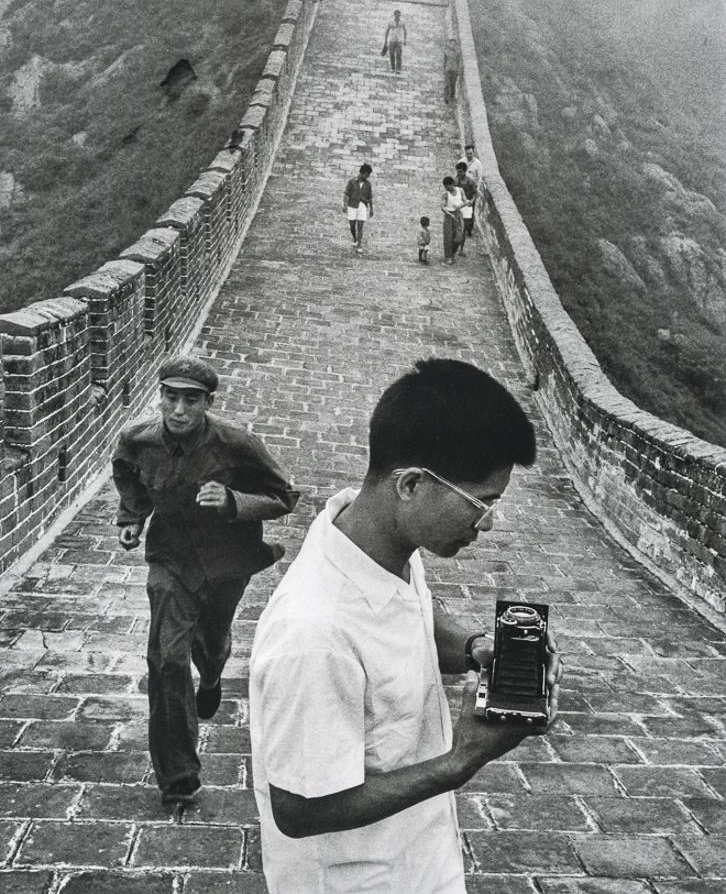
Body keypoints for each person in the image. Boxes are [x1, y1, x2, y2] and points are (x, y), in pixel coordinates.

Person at [250, 357, 562, 894]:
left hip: (420, 853)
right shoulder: (313, 634)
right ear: (412, 484)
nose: (486, 525)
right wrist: (462, 759)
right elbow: (298, 809)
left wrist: (476, 648)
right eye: (481, 504)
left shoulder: (379, 540)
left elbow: (414, 609)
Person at [112, 355, 298, 806]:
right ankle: (178, 775)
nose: (178, 410)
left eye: (190, 400)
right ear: (159, 397)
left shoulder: (237, 444)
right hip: (170, 561)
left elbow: (283, 497)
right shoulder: (137, 440)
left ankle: (212, 675)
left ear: (207, 402)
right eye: (171, 397)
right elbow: (129, 478)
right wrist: (133, 517)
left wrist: (234, 500)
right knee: (166, 659)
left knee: (210, 644)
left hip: (224, 563)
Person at [343, 163, 373, 254]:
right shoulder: (351, 182)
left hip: (363, 206)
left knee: (360, 226)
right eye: (367, 174)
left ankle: (359, 244)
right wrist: (345, 206)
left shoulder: (368, 184)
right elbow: (346, 194)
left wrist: (371, 209)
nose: (367, 177)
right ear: (363, 173)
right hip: (352, 205)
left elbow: (370, 197)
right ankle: (355, 238)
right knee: (352, 225)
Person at [441, 174, 465, 264]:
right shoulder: (445, 194)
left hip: (458, 214)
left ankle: (453, 252)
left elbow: (465, 200)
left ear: (452, 184)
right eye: (446, 188)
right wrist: (449, 215)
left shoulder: (460, 190)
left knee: (459, 237)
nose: (448, 189)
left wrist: (467, 203)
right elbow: (442, 207)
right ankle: (448, 256)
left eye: (449, 187)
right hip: (449, 216)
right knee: (448, 236)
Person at [454, 160, 477, 255]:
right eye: (457, 171)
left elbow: (475, 193)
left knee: (464, 229)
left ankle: (461, 249)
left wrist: (471, 201)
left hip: (467, 207)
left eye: (460, 171)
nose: (458, 173)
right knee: (455, 228)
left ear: (465, 171)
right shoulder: (455, 181)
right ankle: (454, 247)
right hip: (458, 206)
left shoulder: (470, 182)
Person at [383, 8, 407, 73]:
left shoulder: (402, 22)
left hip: (399, 40)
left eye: (399, 15)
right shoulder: (391, 22)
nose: (398, 17)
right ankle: (393, 68)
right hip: (392, 40)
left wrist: (405, 40)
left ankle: (398, 69)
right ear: (394, 15)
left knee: (399, 54)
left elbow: (405, 31)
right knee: (392, 54)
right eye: (397, 15)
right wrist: (385, 40)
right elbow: (387, 31)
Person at [444, 37, 461, 103]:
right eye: (451, 44)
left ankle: (452, 96)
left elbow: (459, 62)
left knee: (452, 84)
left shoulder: (458, 52)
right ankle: (446, 98)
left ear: (455, 45)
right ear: (449, 44)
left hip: (455, 70)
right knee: (447, 84)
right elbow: (445, 61)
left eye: (454, 44)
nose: (453, 45)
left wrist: (458, 71)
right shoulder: (446, 52)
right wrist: (444, 69)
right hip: (447, 69)